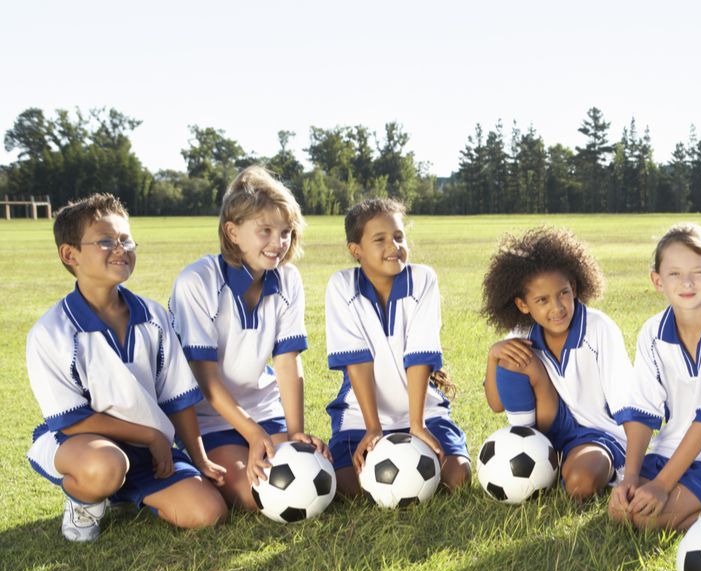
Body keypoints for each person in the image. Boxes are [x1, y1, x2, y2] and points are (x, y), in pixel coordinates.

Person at [26, 193, 227, 541]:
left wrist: (200, 459)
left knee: (208, 513)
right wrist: (151, 435)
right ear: (70, 255)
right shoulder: (51, 331)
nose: (120, 248)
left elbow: (177, 398)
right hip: (81, 443)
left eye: (125, 239)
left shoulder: (154, 317)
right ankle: (85, 500)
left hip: (147, 452)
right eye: (106, 241)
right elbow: (72, 420)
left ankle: (122, 491)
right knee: (105, 465)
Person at [169, 166, 329, 511]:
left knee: (311, 473)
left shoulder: (287, 279)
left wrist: (296, 432)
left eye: (286, 232)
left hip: (265, 412)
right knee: (254, 495)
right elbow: (205, 380)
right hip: (209, 420)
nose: (278, 243)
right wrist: (253, 434)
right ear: (233, 231)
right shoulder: (197, 282)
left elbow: (288, 361)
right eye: (265, 231)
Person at [324, 198, 471, 497]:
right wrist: (373, 428)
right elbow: (358, 362)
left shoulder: (422, 279)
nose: (394, 246)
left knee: (457, 476)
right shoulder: (341, 286)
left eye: (399, 237)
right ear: (356, 251)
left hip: (423, 412)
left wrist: (416, 424)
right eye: (380, 239)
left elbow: (419, 356)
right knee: (346, 489)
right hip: (359, 416)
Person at [608, 224, 701, 531]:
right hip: (669, 449)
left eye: (698, 272)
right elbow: (643, 411)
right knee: (620, 512)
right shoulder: (653, 332)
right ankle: (694, 509)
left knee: (647, 519)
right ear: (657, 281)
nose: (687, 282)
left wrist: (661, 485)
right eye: (674, 274)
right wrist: (630, 477)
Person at [481, 226, 632, 501]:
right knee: (513, 356)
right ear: (523, 305)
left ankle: (559, 465)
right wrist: (493, 356)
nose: (557, 307)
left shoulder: (599, 329)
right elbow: (495, 404)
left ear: (574, 287)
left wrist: (635, 468)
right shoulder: (521, 334)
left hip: (596, 435)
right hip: (547, 427)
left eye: (563, 293)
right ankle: (530, 447)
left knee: (580, 483)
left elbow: (627, 405)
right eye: (542, 300)